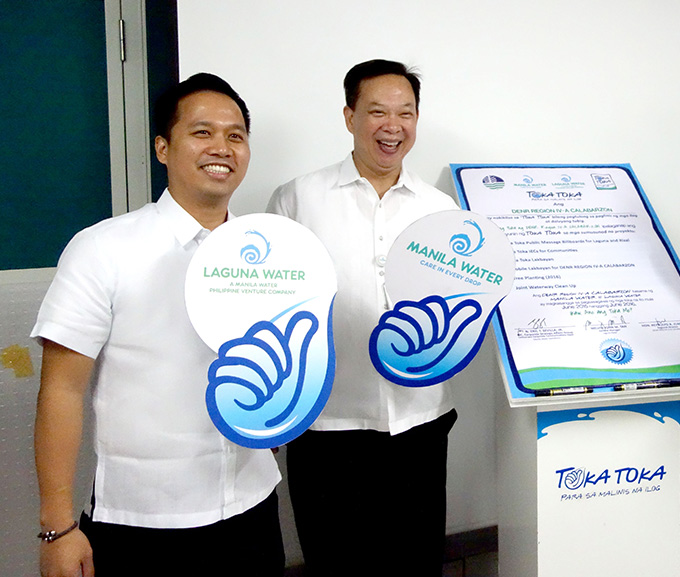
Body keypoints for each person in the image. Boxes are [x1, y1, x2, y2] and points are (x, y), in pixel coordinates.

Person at [32, 73, 284, 577]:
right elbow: (61, 389)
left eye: (236, 135)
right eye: (202, 132)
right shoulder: (102, 248)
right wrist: (57, 527)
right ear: (163, 147)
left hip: (251, 506)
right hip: (142, 523)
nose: (223, 147)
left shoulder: (273, 254)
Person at [267, 59, 459, 576]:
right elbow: (274, 308)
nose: (392, 125)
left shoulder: (440, 210)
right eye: (377, 111)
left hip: (419, 420)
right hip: (326, 425)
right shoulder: (297, 198)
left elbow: (457, 306)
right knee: (335, 562)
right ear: (349, 115)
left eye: (405, 113)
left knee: (415, 562)